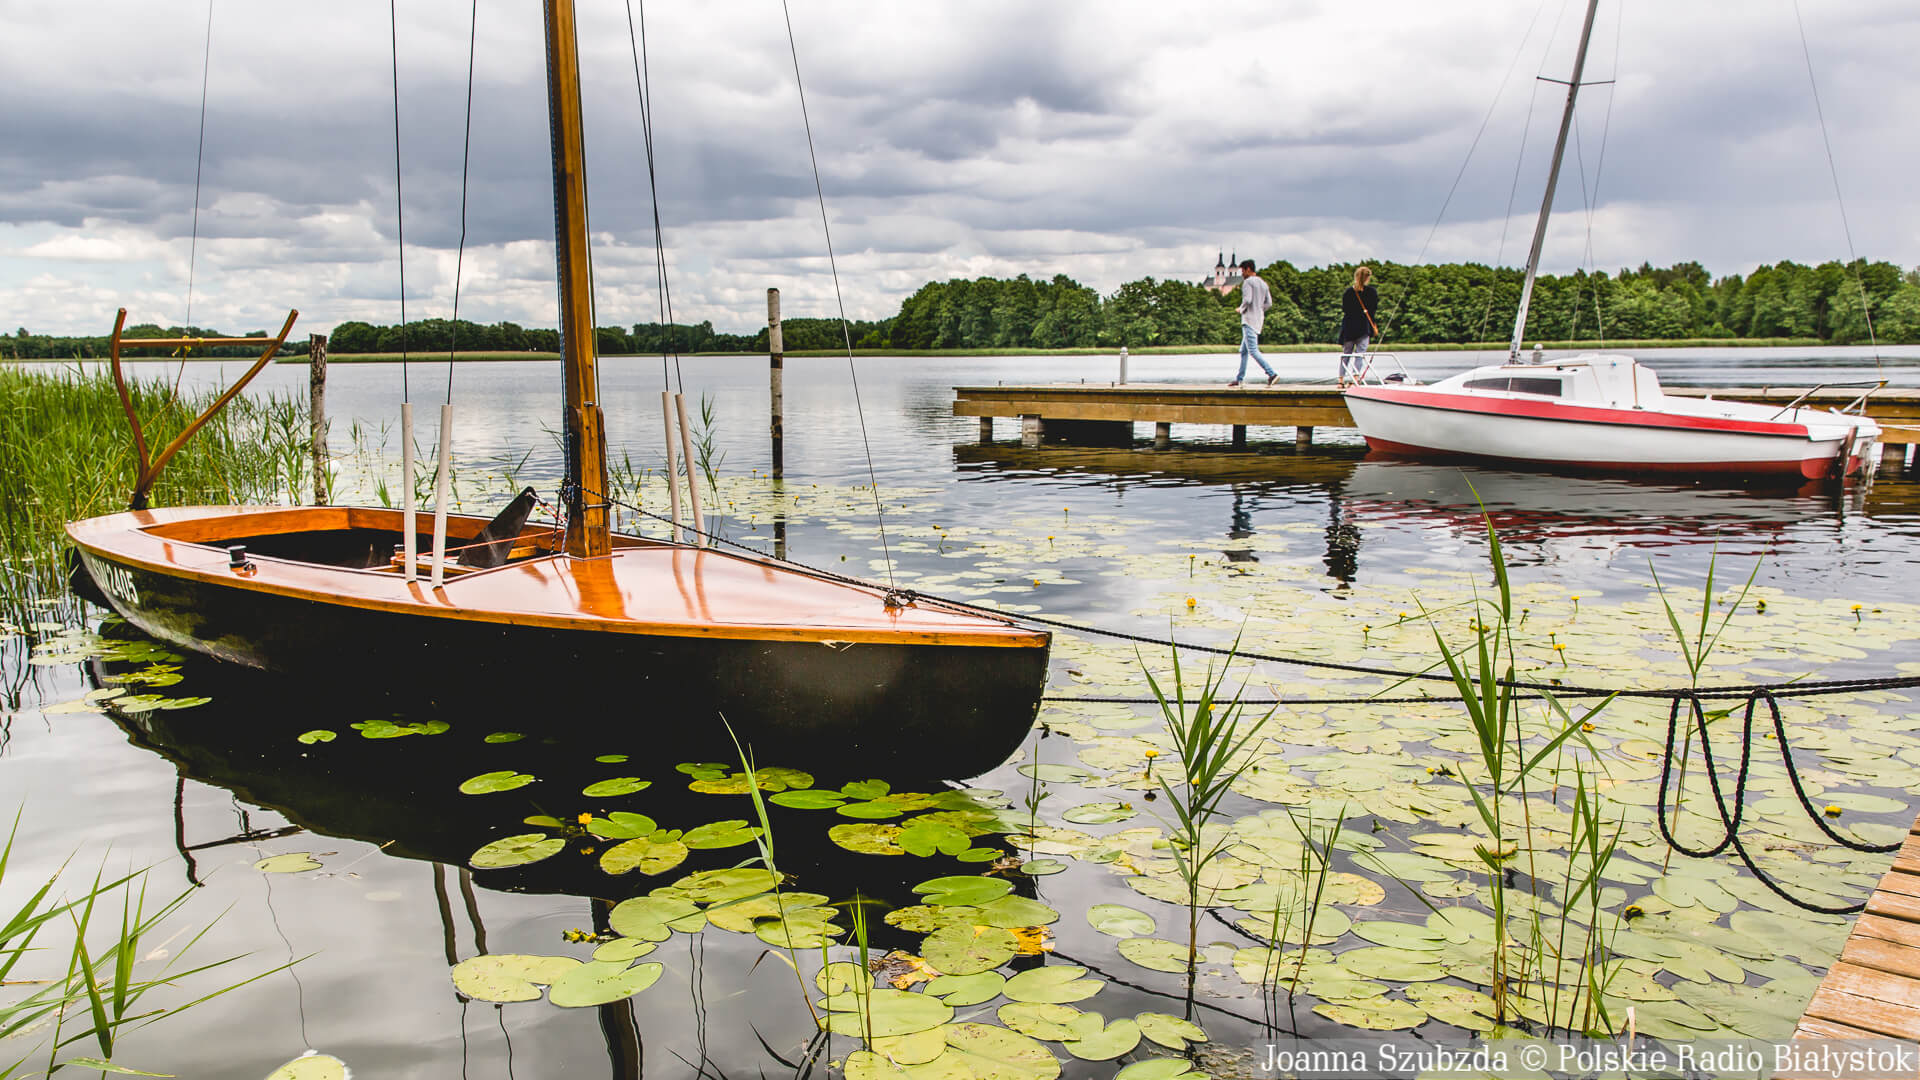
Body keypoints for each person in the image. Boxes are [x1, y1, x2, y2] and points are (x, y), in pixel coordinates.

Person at [1231, 260, 1276, 388]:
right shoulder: (1263, 283)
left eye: (1243, 270)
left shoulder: (1248, 282)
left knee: (1253, 350)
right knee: (1243, 350)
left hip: (1249, 320)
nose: (1242, 274)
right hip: (1258, 320)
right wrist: (1259, 309)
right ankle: (1239, 378)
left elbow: (1247, 300)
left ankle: (1271, 373)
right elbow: (1269, 303)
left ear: (1248, 269)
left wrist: (1241, 309)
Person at [1338, 266, 1378, 388]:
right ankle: (1355, 379)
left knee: (1346, 355)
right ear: (1367, 278)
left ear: (1356, 276)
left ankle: (1340, 380)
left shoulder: (1348, 292)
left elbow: (1345, 309)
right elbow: (1373, 309)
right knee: (1360, 354)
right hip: (1363, 327)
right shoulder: (1371, 292)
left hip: (1349, 327)